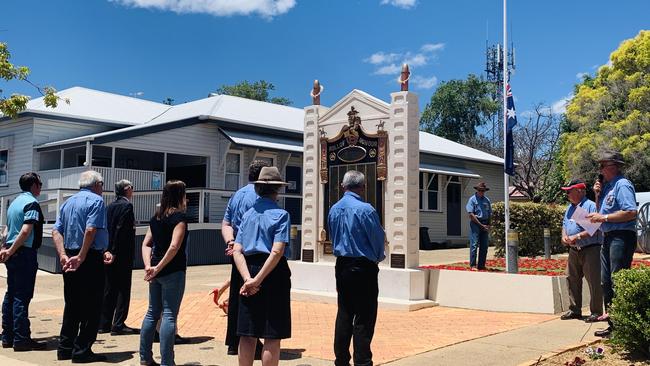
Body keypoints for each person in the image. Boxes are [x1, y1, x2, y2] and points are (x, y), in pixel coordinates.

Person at [232, 166, 292, 366]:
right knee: (271, 335)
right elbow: (276, 251)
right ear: (277, 190)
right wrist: (258, 280)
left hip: (248, 268)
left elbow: (237, 250)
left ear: (257, 189)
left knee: (247, 333)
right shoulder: (281, 214)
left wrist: (248, 279)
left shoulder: (247, 215)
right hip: (272, 272)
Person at [53, 170, 113, 363]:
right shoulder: (96, 201)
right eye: (102, 185)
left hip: (69, 256)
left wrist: (63, 255)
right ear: (96, 184)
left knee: (72, 304)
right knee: (92, 305)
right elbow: (90, 229)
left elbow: (56, 231)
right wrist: (81, 256)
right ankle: (82, 350)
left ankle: (65, 347)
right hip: (87, 258)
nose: (102, 189)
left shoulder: (67, 203)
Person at [328, 170, 385, 366]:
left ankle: (341, 360)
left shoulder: (334, 209)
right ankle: (362, 361)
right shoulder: (366, 209)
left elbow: (332, 234)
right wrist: (377, 259)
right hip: (363, 266)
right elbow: (377, 238)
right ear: (362, 187)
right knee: (365, 315)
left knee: (344, 312)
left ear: (343, 186)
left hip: (342, 265)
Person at [221, 160, 269, 356]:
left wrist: (230, 243)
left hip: (236, 251)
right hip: (254, 252)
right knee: (253, 299)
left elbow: (225, 223)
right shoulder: (260, 195)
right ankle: (252, 341)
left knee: (236, 296)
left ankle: (234, 342)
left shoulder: (237, 194)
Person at [587, 150, 637, 337]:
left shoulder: (622, 185)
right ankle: (614, 325)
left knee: (617, 279)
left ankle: (623, 326)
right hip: (608, 237)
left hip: (621, 236)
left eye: (603, 165)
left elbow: (631, 212)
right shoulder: (608, 187)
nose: (600, 169)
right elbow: (600, 214)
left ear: (615, 166)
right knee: (605, 281)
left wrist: (605, 217)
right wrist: (597, 195)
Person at [139, 180, 189, 366]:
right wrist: (158, 267)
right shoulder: (179, 219)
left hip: (155, 272)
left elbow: (146, 244)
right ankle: (167, 361)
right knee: (169, 315)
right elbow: (174, 246)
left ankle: (145, 357)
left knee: (152, 313)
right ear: (180, 196)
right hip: (172, 271)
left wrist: (149, 267)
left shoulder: (156, 218)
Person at [0, 172, 46, 351]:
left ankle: (7, 336)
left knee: (11, 294)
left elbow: (6, 230)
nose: (41, 187)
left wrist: (5, 248)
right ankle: (21, 338)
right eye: (40, 184)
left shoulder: (14, 203)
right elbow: (26, 230)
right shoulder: (31, 203)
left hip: (11, 251)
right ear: (33, 185)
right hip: (24, 252)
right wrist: (11, 250)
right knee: (22, 296)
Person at [559, 179, 603, 323]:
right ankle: (574, 310)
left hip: (590, 248)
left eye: (569, 191)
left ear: (579, 191)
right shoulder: (569, 208)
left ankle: (596, 312)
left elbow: (594, 229)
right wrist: (564, 236)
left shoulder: (590, 206)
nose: (567, 194)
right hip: (573, 249)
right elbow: (565, 225)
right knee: (572, 279)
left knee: (593, 281)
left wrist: (576, 236)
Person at [99, 179, 138, 335]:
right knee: (123, 288)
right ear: (127, 189)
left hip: (108, 253)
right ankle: (119, 323)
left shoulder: (109, 207)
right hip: (122, 254)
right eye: (132, 188)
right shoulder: (127, 206)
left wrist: (107, 250)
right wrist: (115, 251)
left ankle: (104, 323)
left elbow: (107, 229)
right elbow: (121, 230)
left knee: (109, 288)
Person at [466, 182, 492, 270]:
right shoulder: (472, 200)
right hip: (476, 224)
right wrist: (481, 225)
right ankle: (473, 265)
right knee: (474, 244)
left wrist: (489, 224)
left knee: (484, 246)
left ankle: (481, 265)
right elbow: (471, 215)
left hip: (485, 224)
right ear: (477, 190)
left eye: (483, 190)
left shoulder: (487, 200)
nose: (481, 192)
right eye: (480, 190)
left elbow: (489, 213)